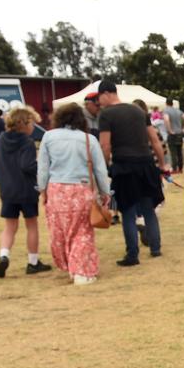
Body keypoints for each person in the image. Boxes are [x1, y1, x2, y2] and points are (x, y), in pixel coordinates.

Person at [36, 103, 110, 285]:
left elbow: (43, 168)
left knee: (59, 231)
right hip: (82, 189)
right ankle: (82, 271)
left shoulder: (49, 137)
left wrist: (42, 190)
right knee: (82, 231)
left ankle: (69, 264)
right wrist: (105, 192)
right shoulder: (88, 139)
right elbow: (100, 170)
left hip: (56, 190)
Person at [98, 79, 168, 265]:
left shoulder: (106, 115)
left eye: (100, 98)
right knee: (148, 209)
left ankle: (132, 254)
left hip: (123, 166)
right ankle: (155, 248)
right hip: (145, 165)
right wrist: (161, 164)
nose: (100, 103)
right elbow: (154, 140)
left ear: (106, 93)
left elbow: (105, 145)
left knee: (127, 211)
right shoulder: (139, 111)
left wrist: (104, 167)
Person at [0, 107, 52, 278]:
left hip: (7, 190)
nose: (34, 126)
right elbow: (27, 165)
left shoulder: (0, 140)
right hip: (26, 190)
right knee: (31, 224)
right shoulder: (26, 142)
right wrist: (42, 169)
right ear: (24, 123)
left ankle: (4, 255)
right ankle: (33, 262)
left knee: (10, 227)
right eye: (32, 122)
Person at [164, 98, 184, 173]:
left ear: (166, 103)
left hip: (172, 134)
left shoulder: (166, 110)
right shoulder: (178, 111)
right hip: (179, 133)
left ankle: (174, 169)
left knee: (173, 152)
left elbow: (167, 119)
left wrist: (170, 130)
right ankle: (180, 168)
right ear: (172, 103)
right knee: (179, 152)